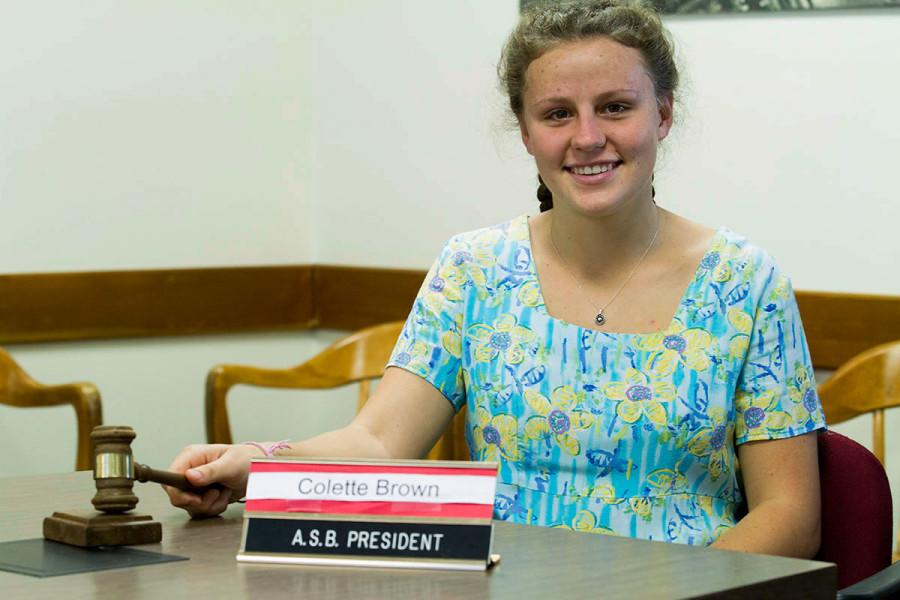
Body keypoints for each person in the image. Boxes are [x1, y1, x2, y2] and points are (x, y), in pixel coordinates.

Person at [165, 0, 824, 558]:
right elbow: (377, 439)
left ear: (663, 115)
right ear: (526, 132)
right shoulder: (473, 268)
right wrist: (256, 463)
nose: (587, 136)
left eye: (615, 106)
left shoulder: (745, 283)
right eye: (558, 114)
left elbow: (790, 513)